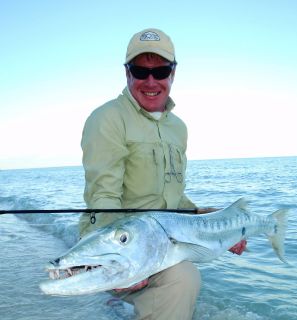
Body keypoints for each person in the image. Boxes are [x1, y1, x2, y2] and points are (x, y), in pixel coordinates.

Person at [79, 28, 246, 320]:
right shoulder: (106, 119)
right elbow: (102, 196)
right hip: (121, 246)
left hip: (165, 240)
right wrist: (120, 264)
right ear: (127, 73)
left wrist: (215, 225)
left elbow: (174, 197)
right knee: (184, 278)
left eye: (161, 70)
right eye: (140, 71)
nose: (151, 81)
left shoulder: (177, 127)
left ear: (173, 73)